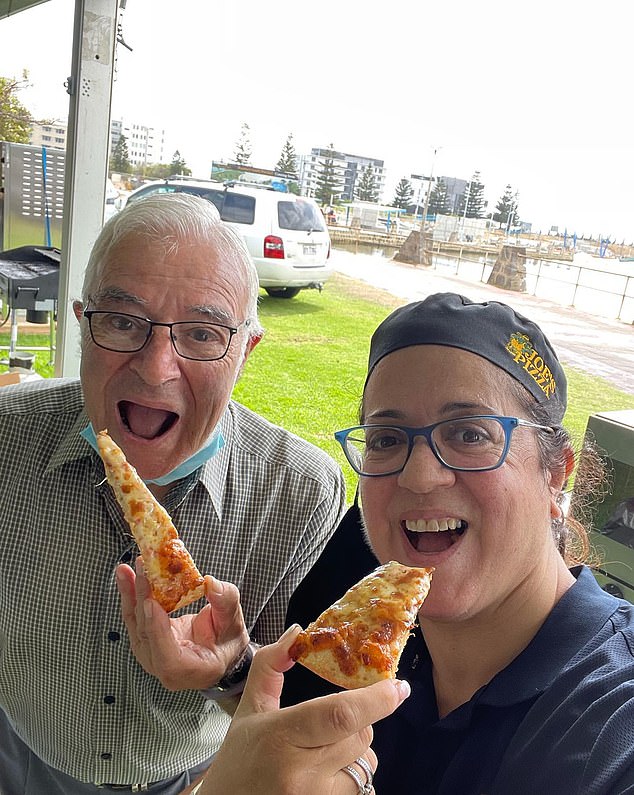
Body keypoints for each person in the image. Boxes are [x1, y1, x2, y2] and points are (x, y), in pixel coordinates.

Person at [0, 193, 346, 794]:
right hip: (19, 754)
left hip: (184, 780)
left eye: (203, 333)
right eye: (122, 321)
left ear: (246, 351)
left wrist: (233, 669)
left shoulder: (300, 492)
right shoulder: (5, 439)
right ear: (82, 324)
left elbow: (296, 705)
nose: (157, 367)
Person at [274, 293, 634, 793]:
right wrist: (231, 673)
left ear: (555, 474)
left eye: (469, 434)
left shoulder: (611, 725)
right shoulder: (380, 654)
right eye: (386, 439)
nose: (420, 476)